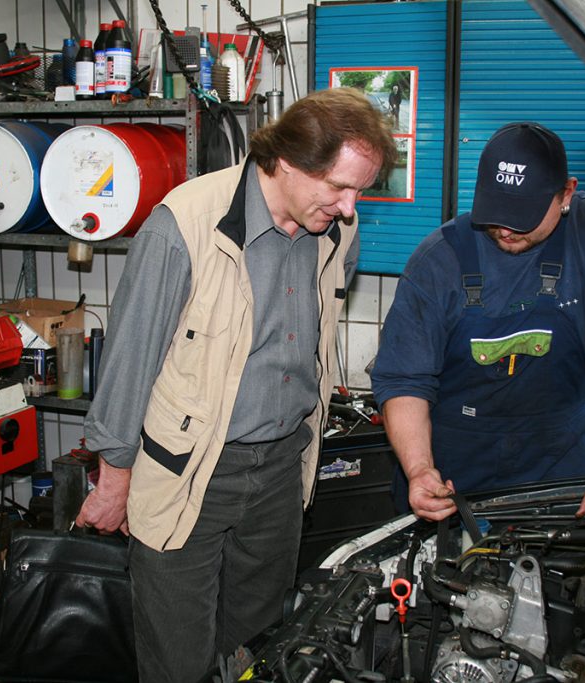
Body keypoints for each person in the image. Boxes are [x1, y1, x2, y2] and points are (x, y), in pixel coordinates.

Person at [76, 87, 396, 683]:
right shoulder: (185, 224)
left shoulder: (333, 233)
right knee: (179, 658)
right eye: (339, 187)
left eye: (360, 191)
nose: (351, 209)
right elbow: (129, 359)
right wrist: (114, 475)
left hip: (282, 469)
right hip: (190, 468)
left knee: (259, 646)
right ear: (289, 161)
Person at [371, 122, 585, 525]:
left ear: (566, 193)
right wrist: (420, 470)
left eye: (522, 216)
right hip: (455, 477)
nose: (507, 229)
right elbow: (404, 379)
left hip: (557, 475)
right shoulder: (439, 259)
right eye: (496, 213)